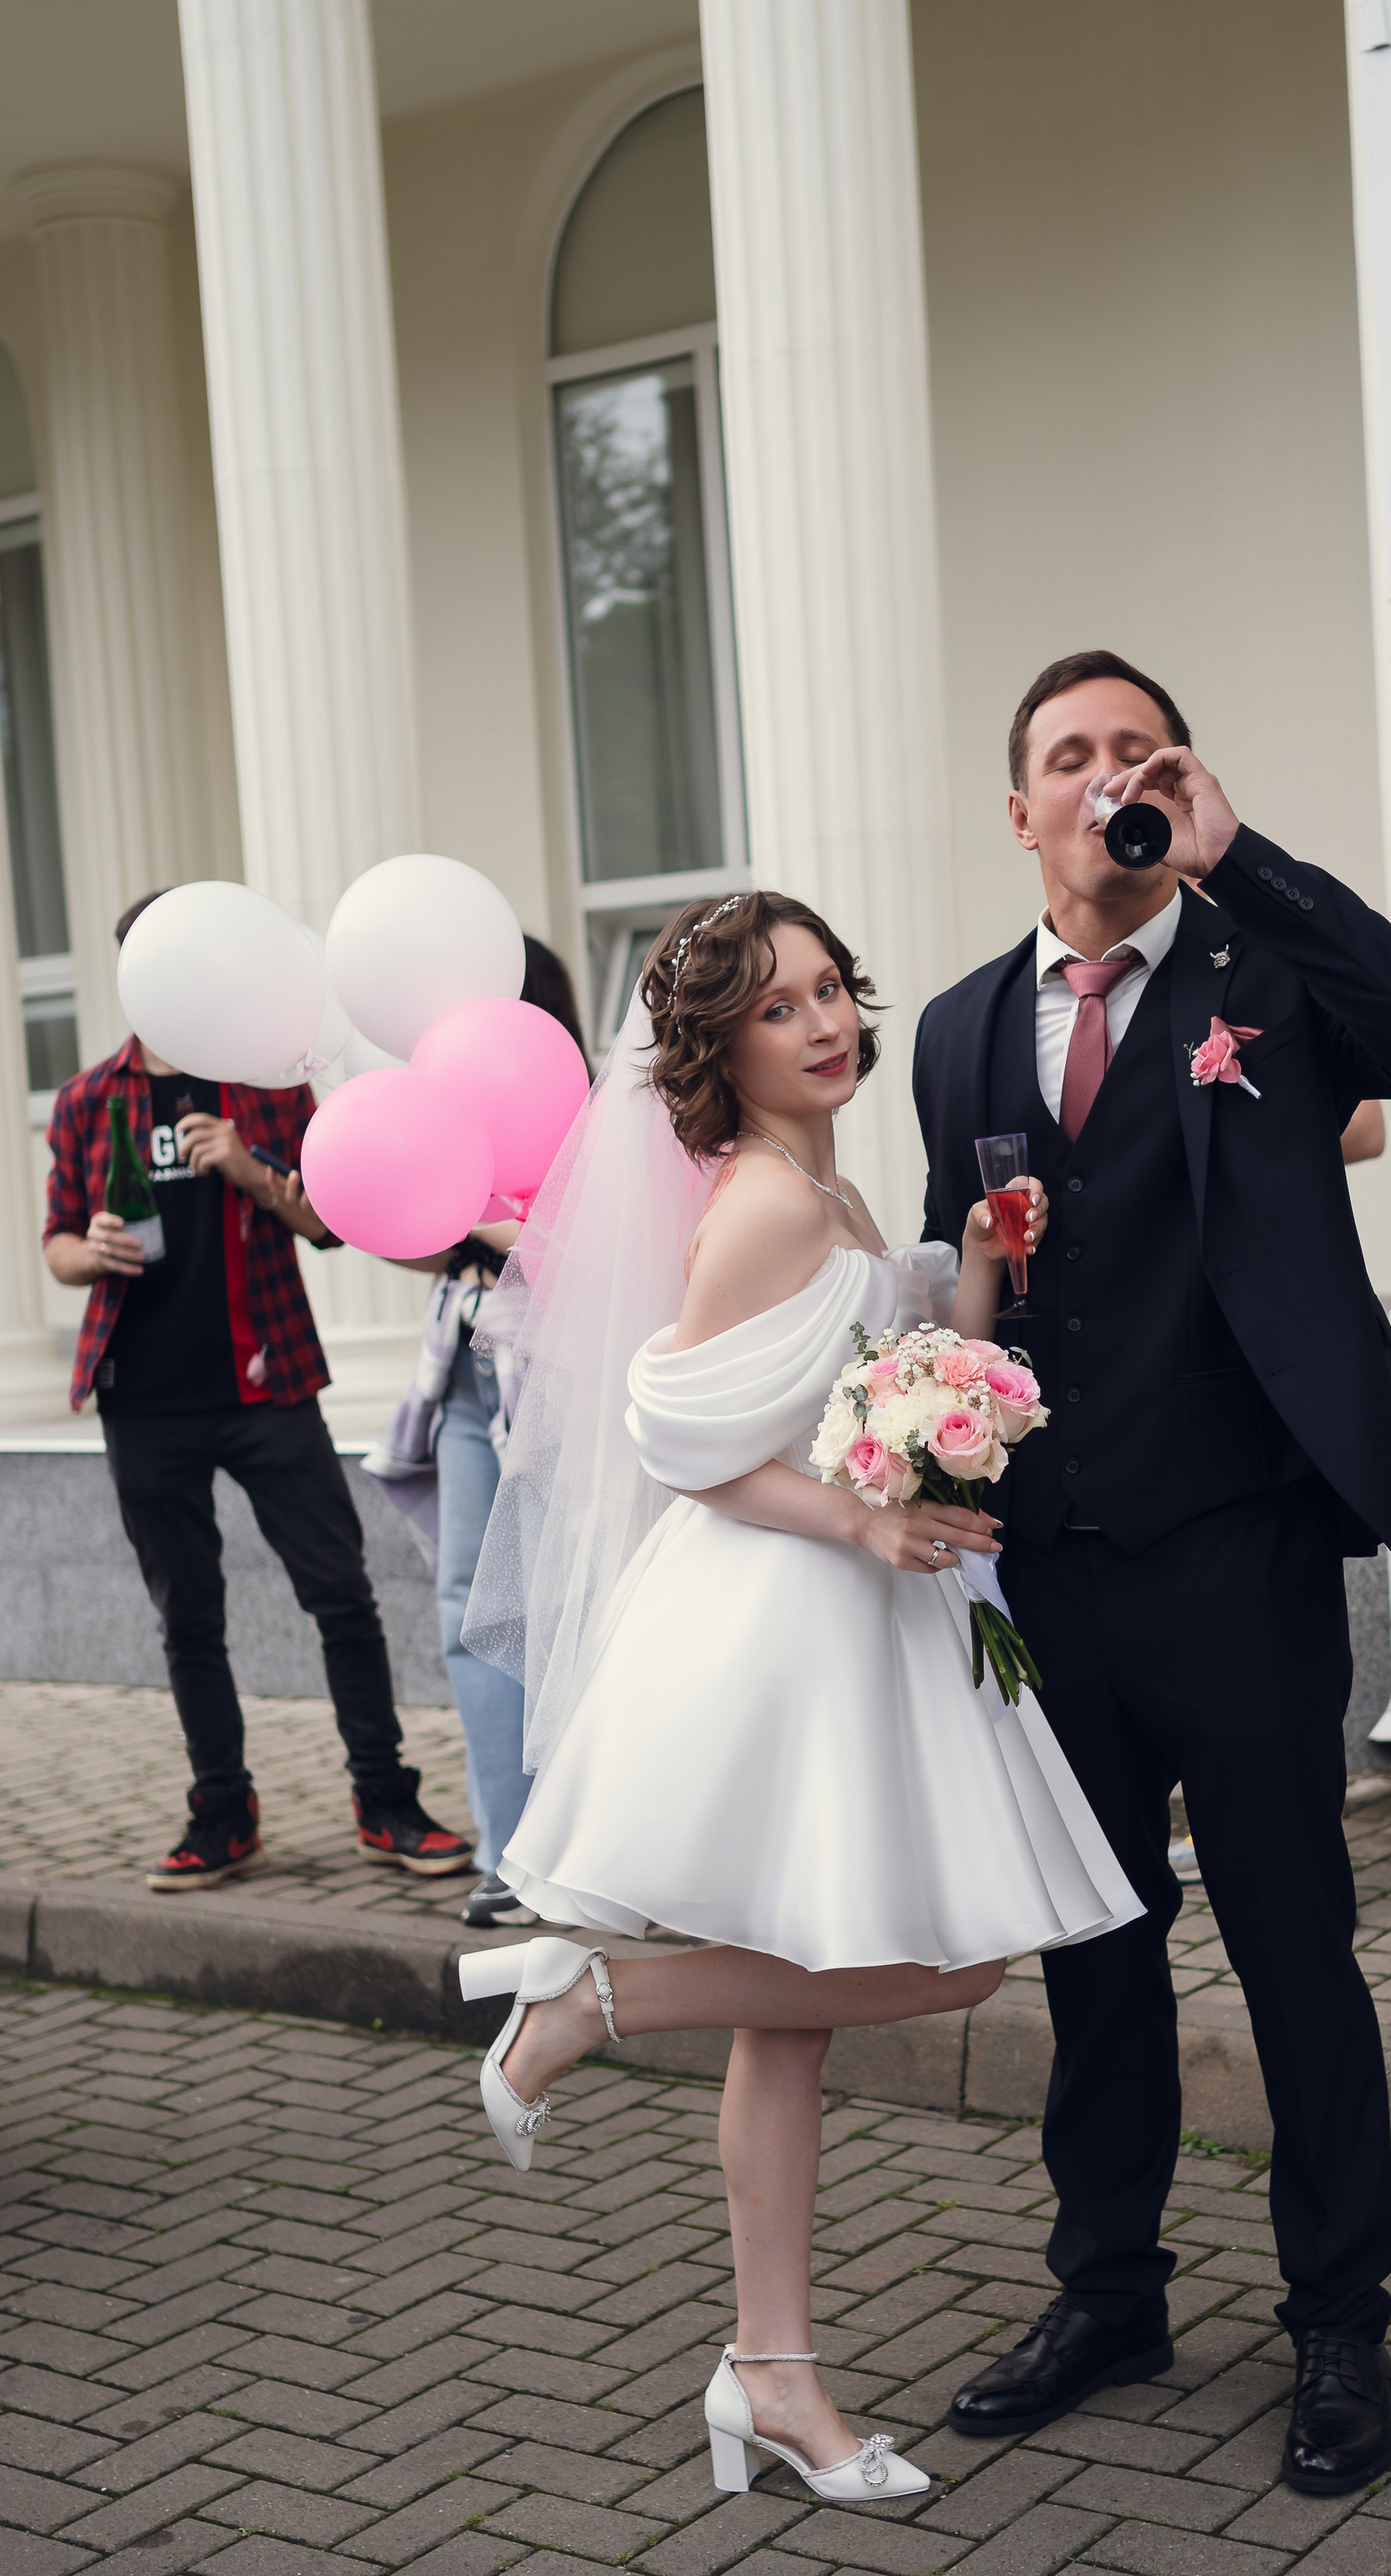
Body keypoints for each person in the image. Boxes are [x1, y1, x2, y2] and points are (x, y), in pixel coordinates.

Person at [452, 890, 1141, 2506]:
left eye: (832, 989)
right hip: (792, 1618)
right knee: (954, 1968)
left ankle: (772, 2375)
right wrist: (868, 1520)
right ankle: (589, 2007)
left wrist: (967, 1284)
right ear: (718, 1046)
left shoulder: (823, 1186)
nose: (824, 1022)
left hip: (865, 1613)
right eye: (779, 1008)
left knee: (793, 2021)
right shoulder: (762, 1203)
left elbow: (887, 1399)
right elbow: (678, 1441)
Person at [912, 652, 1391, 2496]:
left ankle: (1335, 2317)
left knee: (1291, 1950)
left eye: (1132, 752)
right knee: (1090, 1952)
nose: (1103, 780)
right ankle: (1109, 2287)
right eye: (1065, 758)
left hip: (1237, 1552)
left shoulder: (1267, 976)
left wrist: (1246, 860)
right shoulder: (952, 1024)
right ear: (1017, 811)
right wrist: (930, 1485)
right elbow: (966, 1289)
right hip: (1048, 1573)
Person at [42, 891, 474, 1893]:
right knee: (187, 1612)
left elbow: (330, 1217)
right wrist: (86, 1251)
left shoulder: (263, 1087)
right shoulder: (85, 1099)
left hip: (265, 1378)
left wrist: (251, 1167)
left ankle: (386, 1798)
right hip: (140, 1393)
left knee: (340, 1592)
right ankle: (222, 1812)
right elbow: (59, 1240)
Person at [367, 936, 592, 1930]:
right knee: (472, 1601)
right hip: (464, 1361)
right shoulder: (445, 1097)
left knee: (560, 1607)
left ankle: (582, 1846)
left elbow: (580, 1249)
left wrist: (487, 1207)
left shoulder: (583, 1107)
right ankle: (506, 1853)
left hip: (554, 1366)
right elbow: (435, 1237)